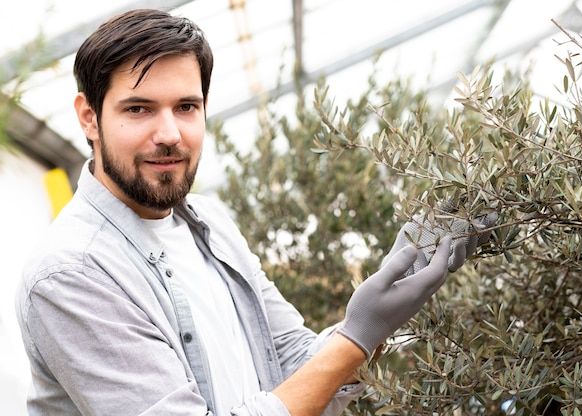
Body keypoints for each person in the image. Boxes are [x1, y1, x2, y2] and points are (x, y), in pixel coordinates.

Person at [14, 8, 495, 416]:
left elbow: (294, 366)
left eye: (186, 106)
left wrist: (399, 284)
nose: (169, 133)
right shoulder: (71, 275)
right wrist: (358, 335)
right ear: (89, 117)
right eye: (138, 109)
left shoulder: (209, 222)